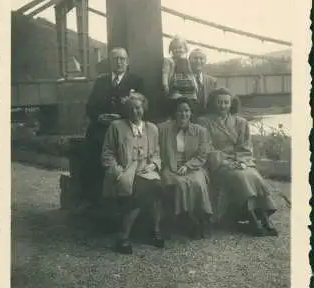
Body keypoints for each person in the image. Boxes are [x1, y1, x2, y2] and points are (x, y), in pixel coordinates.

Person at [198, 87, 278, 237]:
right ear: (213, 103)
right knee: (241, 178)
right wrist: (227, 162)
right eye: (219, 102)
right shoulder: (204, 122)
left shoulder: (241, 122)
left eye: (226, 103)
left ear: (231, 104)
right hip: (219, 164)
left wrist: (241, 161)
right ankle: (254, 220)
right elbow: (207, 148)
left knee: (253, 175)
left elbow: (246, 146)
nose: (223, 106)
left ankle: (265, 219)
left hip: (240, 161)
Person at [101, 93, 164, 254]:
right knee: (140, 190)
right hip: (125, 171)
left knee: (157, 186)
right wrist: (118, 172)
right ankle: (124, 237)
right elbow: (107, 154)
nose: (135, 112)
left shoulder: (152, 128)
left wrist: (153, 165)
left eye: (138, 108)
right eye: (131, 108)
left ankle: (155, 230)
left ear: (144, 109)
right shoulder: (117, 127)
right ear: (126, 110)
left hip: (146, 170)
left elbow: (156, 153)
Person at [83, 47, 144, 205]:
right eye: (115, 59)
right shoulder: (101, 81)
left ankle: (123, 200)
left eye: (122, 59)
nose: (119, 62)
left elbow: (142, 108)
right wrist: (99, 116)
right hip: (102, 128)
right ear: (110, 62)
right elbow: (90, 107)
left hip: (125, 127)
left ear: (127, 62)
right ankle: (93, 200)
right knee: (93, 156)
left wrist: (123, 117)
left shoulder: (136, 81)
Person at [158, 97, 213, 238]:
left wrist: (188, 166)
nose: (183, 114)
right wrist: (168, 166)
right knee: (179, 183)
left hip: (194, 166)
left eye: (186, 111)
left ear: (191, 113)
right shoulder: (163, 129)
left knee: (198, 183)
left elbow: (202, 154)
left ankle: (200, 218)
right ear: (174, 113)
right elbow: (157, 150)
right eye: (180, 111)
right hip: (170, 166)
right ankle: (187, 219)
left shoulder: (200, 131)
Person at [162, 36, 197, 101]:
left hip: (188, 86)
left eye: (180, 47)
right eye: (175, 48)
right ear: (171, 49)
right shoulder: (169, 61)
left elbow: (190, 74)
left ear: (185, 49)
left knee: (191, 100)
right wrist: (165, 84)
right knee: (176, 100)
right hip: (175, 86)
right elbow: (165, 73)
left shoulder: (186, 61)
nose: (178, 50)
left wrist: (195, 85)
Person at [189, 48, 217, 116]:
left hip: (206, 121)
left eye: (201, 58)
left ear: (205, 61)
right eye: (195, 58)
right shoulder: (183, 79)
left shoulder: (212, 81)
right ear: (189, 60)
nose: (198, 61)